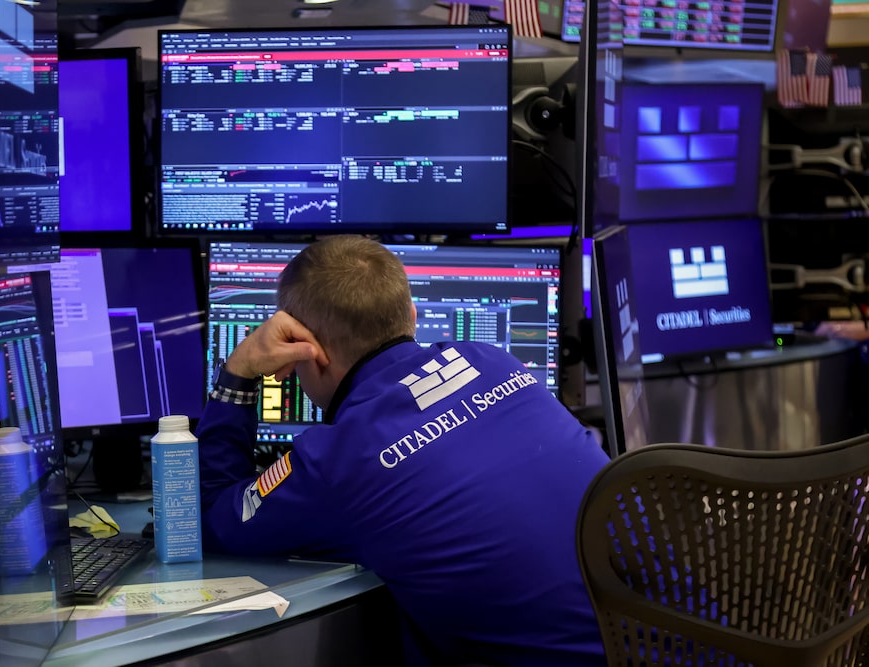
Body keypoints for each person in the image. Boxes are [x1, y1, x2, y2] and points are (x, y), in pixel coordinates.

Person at [196, 235, 609, 666]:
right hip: (663, 640)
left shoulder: (336, 462)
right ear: (411, 317)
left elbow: (208, 517)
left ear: (308, 353)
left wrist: (238, 374)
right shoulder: (494, 360)